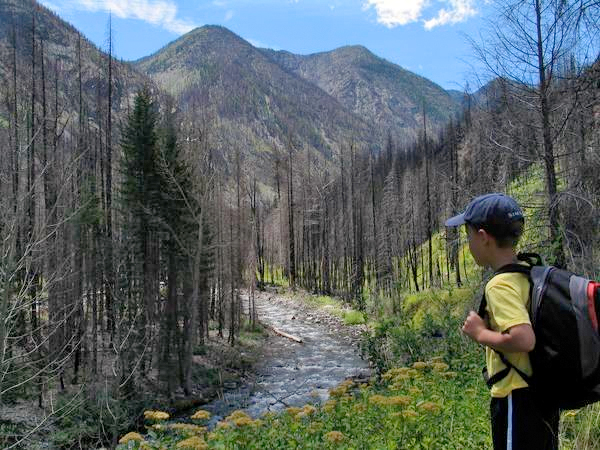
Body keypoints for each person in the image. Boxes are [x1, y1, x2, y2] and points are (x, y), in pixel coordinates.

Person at [445, 193, 559, 450]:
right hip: (539, 394)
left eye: (469, 235)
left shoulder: (499, 285)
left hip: (516, 396)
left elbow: (523, 338)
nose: (469, 243)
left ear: (483, 237)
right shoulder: (527, 272)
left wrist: (480, 333)